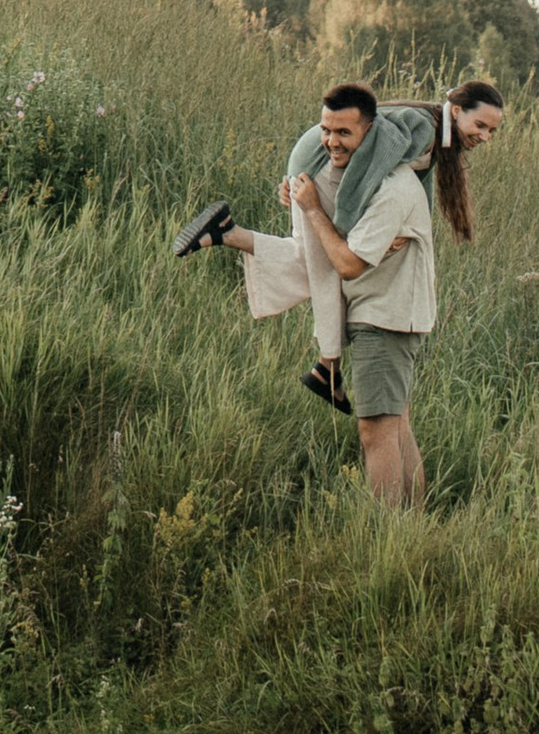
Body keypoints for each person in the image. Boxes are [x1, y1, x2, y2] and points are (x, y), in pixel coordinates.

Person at [174, 76, 506, 513]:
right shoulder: (410, 144)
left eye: (491, 131)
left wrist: (316, 209)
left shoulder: (396, 177)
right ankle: (410, 525)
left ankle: (390, 531)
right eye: (481, 125)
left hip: (386, 318)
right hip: (392, 312)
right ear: (457, 110)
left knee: (378, 431)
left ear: (369, 135)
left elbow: (349, 260)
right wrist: (310, 200)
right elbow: (369, 198)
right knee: (396, 423)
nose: (483, 137)